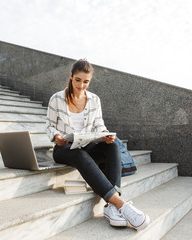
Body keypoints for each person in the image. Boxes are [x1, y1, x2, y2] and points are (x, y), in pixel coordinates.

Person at [45, 59, 150, 230]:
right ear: (71, 76)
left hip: (86, 144)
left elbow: (99, 124)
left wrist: (104, 134)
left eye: (85, 81)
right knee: (79, 154)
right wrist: (56, 136)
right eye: (78, 80)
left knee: (113, 145)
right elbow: (49, 125)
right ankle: (120, 204)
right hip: (64, 148)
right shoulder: (56, 99)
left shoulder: (94, 100)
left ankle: (110, 208)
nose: (81, 85)